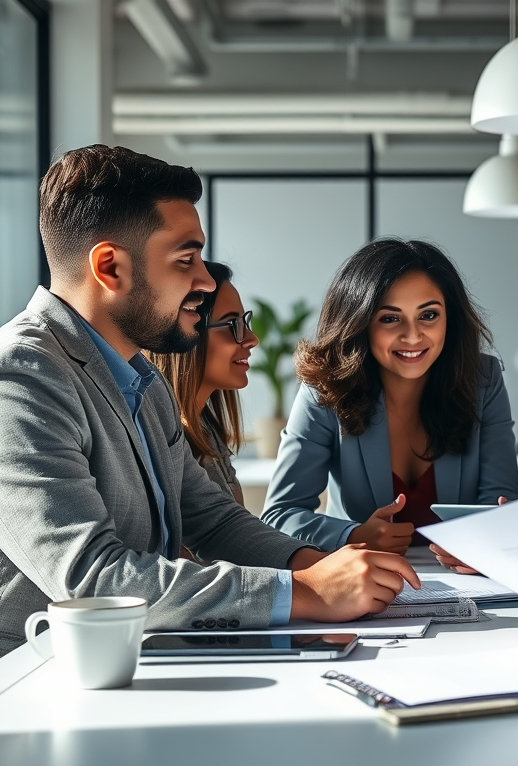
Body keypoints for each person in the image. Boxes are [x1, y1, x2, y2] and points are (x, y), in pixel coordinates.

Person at [0, 146, 419, 655]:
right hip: (30, 681)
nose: (204, 279)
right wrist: (303, 591)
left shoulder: (140, 381)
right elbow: (93, 578)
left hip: (127, 664)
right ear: (109, 267)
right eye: (186, 258)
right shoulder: (21, 375)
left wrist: (315, 566)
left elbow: (214, 520)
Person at [261, 238, 518, 557]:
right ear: (360, 322)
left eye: (428, 316)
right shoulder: (325, 387)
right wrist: (353, 534)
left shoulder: (483, 379)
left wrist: (481, 540)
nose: (412, 335)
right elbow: (279, 515)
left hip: (470, 589)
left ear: (449, 319)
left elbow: (503, 501)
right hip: (363, 583)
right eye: (390, 318)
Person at [147, 261, 255, 508]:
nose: (251, 339)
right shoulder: (158, 442)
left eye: (244, 322)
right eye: (233, 325)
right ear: (185, 332)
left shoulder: (207, 431)